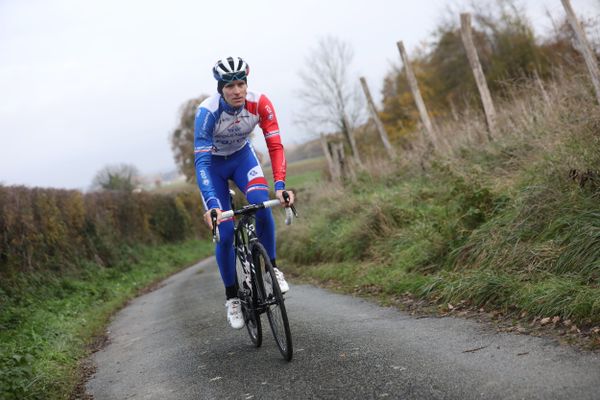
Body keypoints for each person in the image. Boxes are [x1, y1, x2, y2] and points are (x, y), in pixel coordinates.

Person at [194, 56, 295, 329]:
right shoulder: (207, 113)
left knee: (262, 204)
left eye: (241, 83)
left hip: (242, 159)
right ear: (220, 89)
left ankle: (271, 268)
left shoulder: (259, 103)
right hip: (213, 168)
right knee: (225, 233)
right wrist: (213, 205)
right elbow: (201, 162)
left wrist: (281, 186)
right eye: (230, 86)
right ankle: (232, 297)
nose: (237, 90)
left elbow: (275, 146)